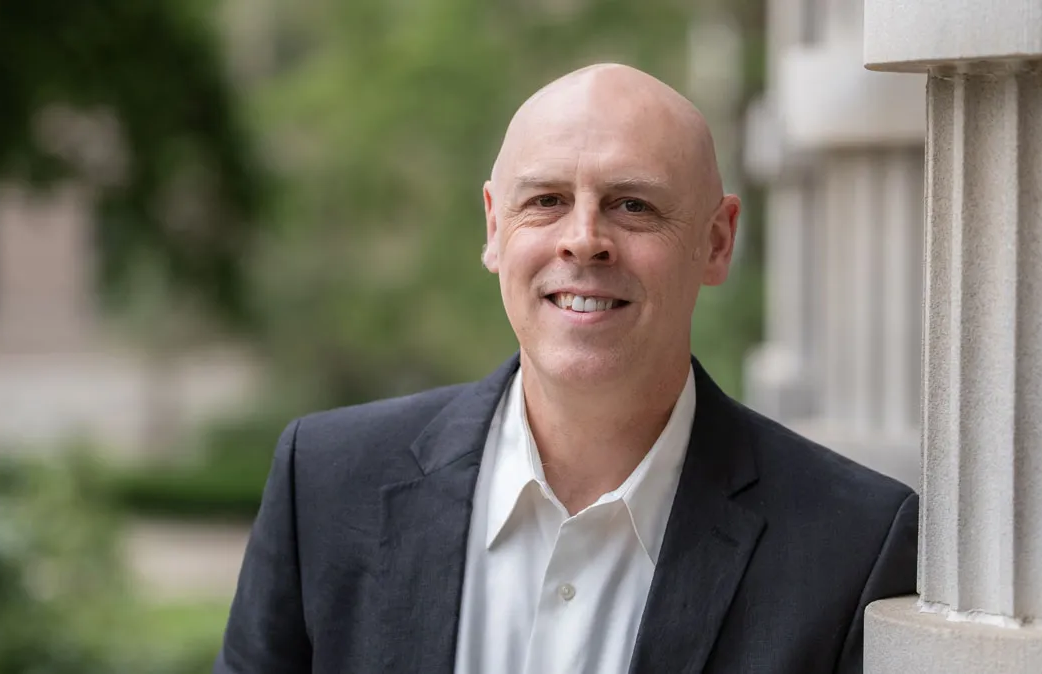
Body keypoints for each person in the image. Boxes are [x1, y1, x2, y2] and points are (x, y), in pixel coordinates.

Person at [214, 63, 917, 674]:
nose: (584, 240)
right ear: (494, 227)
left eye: (632, 205)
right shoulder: (328, 486)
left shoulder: (852, 547)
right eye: (547, 200)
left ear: (717, 241)